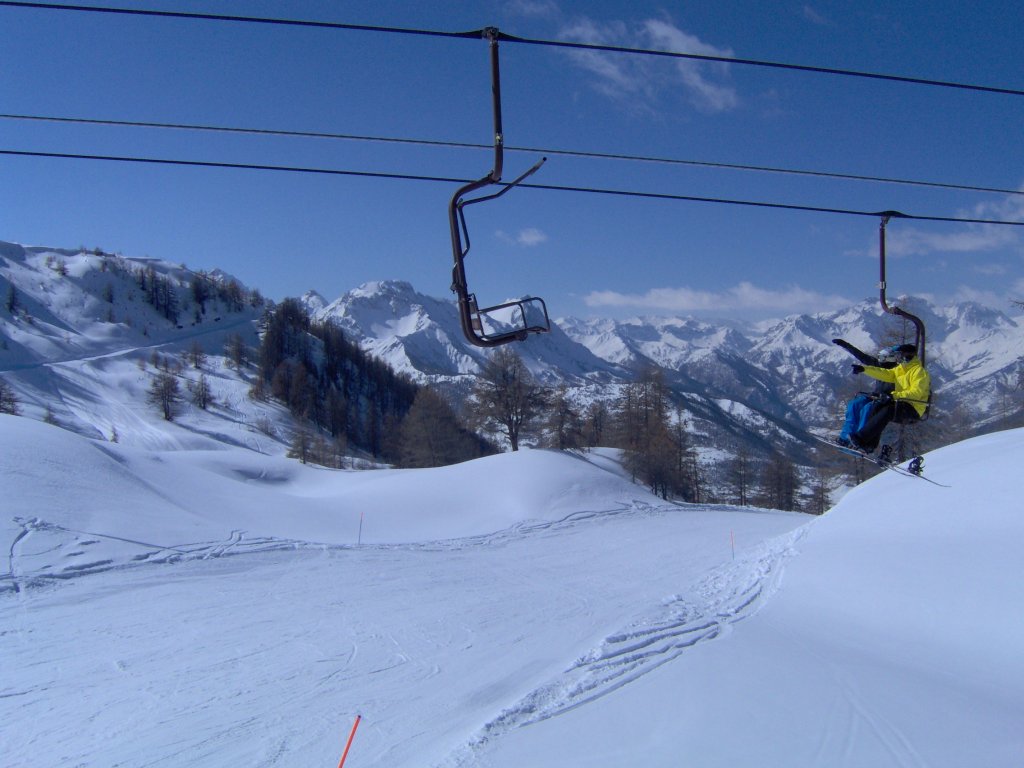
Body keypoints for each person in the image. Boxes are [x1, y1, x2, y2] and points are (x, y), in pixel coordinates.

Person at [838, 342, 930, 454]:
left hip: (913, 407)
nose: (898, 359)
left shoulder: (919, 371)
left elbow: (917, 392)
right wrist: (864, 369)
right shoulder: (901, 369)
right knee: (877, 407)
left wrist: (894, 395)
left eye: (899, 356)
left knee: (888, 410)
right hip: (902, 403)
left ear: (906, 356)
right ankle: (869, 445)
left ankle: (861, 438)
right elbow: (885, 374)